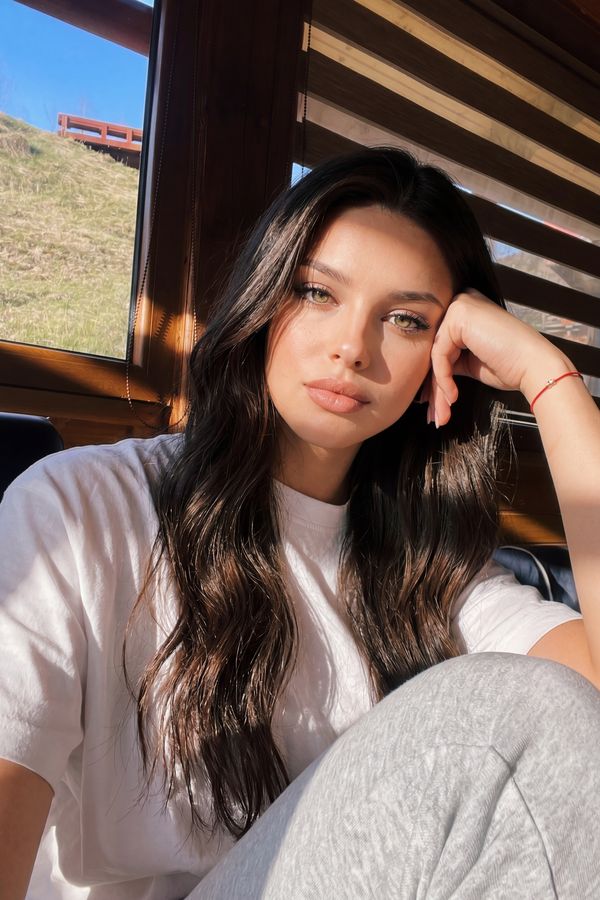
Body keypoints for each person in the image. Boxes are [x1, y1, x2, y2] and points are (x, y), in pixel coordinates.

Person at [1, 147, 600, 899]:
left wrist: (551, 381)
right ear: (263, 297)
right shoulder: (80, 509)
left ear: (443, 359)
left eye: (406, 319)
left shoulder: (434, 577)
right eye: (317, 292)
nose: (352, 348)